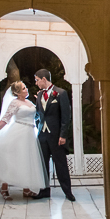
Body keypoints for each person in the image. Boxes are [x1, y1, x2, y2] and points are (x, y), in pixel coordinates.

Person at [0, 81, 47, 200]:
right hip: (18, 132)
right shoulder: (15, 103)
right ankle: (4, 187)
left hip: (29, 134)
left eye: (25, 87)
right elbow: (6, 118)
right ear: (18, 92)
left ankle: (26, 188)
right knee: (12, 159)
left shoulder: (29, 102)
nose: (26, 89)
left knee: (26, 160)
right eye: (24, 88)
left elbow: (36, 115)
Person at [28, 69, 75, 201]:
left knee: (61, 164)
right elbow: (39, 114)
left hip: (56, 136)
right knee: (43, 164)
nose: (36, 83)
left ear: (44, 79)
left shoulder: (60, 93)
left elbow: (66, 116)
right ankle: (44, 190)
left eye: (37, 80)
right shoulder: (40, 95)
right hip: (42, 135)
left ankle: (68, 191)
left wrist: (63, 135)